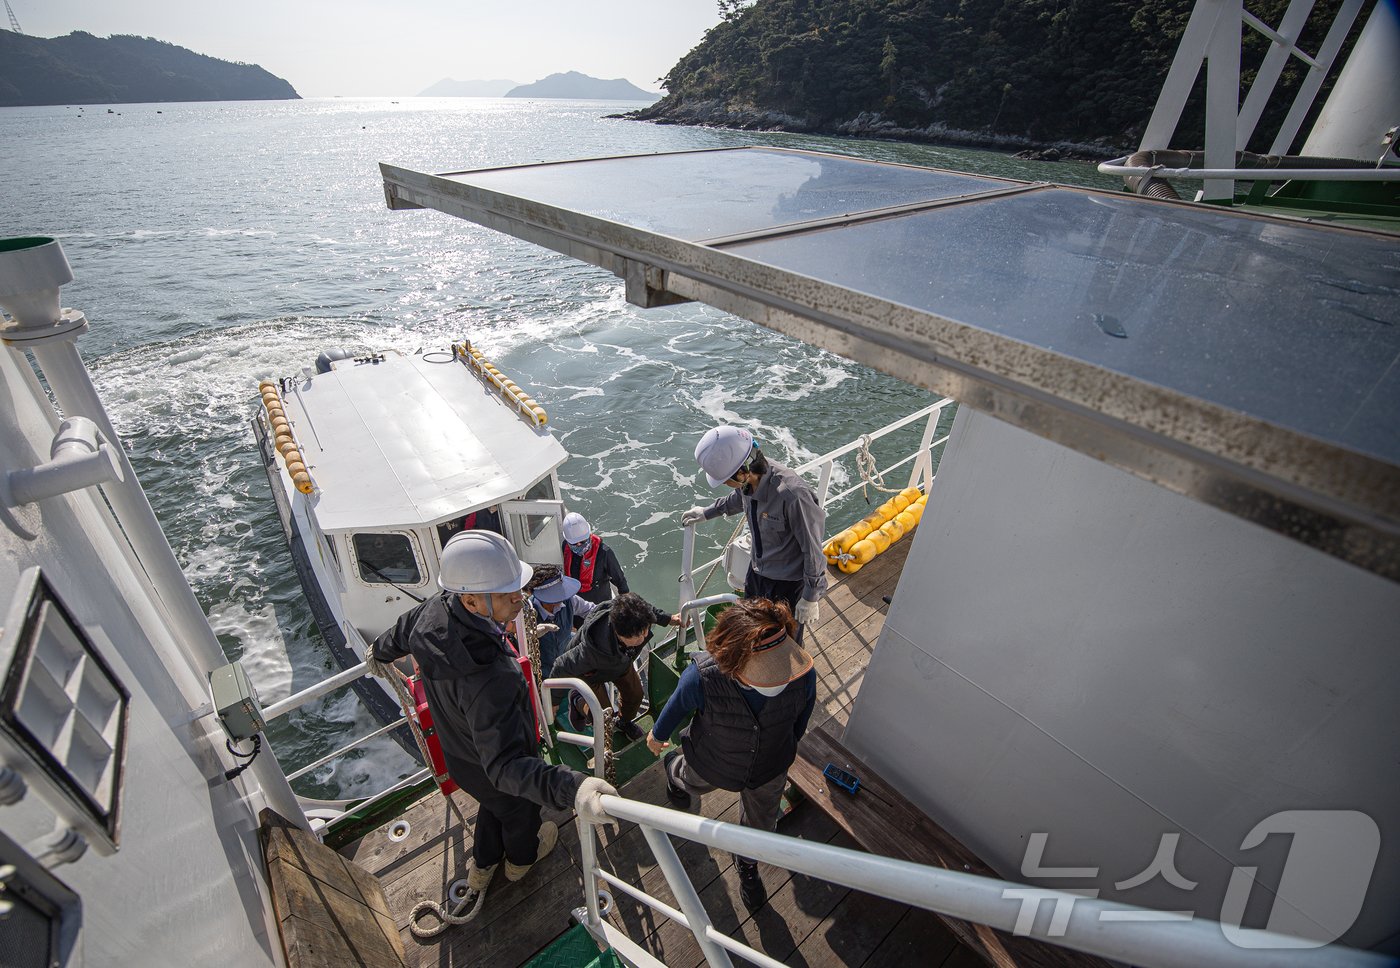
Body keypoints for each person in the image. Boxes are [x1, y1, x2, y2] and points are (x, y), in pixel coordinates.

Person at [370, 530, 615, 911]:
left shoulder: (436, 610)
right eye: (507, 594)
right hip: (500, 769)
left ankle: (483, 866)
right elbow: (506, 767)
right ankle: (520, 862)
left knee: (493, 804)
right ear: (471, 600)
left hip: (464, 761)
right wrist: (574, 788)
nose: (521, 599)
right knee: (519, 814)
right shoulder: (491, 676)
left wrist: (378, 651)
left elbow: (402, 631)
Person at [646, 598, 817, 914]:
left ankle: (747, 863)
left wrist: (778, 750)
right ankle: (673, 771)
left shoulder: (803, 673)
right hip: (714, 758)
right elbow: (677, 706)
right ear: (733, 659)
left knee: (761, 824)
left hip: (769, 768)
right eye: (768, 670)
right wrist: (657, 736)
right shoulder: (702, 676)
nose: (781, 676)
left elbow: (799, 723)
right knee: (689, 779)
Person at [681, 425, 827, 641]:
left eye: (726, 480)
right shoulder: (749, 483)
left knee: (785, 642)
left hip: (787, 585)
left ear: (742, 472)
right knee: (752, 630)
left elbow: (813, 549)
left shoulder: (792, 496)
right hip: (758, 572)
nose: (727, 485)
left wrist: (811, 596)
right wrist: (707, 512)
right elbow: (739, 498)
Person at [550, 591, 680, 744]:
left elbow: (647, 610)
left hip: (621, 661)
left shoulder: (632, 613)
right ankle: (578, 701)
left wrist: (668, 618)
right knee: (602, 715)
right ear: (619, 634)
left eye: (645, 630)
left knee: (635, 695)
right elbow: (560, 666)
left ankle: (624, 723)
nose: (644, 636)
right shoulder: (589, 651)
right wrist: (553, 702)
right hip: (591, 673)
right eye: (638, 636)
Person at [525, 562, 595, 688]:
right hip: (542, 674)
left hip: (567, 664)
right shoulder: (527, 612)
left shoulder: (570, 601)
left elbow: (590, 610)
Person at [561, 511, 630, 606]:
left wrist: (626, 602)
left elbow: (619, 579)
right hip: (575, 602)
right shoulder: (565, 547)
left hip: (598, 603)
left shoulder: (604, 552)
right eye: (574, 543)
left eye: (582, 541)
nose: (579, 545)